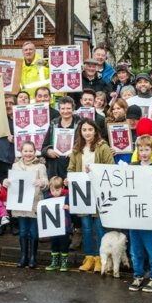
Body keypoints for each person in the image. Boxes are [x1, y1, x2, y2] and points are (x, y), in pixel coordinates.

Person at [69, 120, 113, 272]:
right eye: (84, 130)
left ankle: (101, 258)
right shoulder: (76, 149)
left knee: (99, 228)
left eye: (90, 129)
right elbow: (71, 168)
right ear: (80, 132)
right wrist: (69, 177)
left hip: (98, 192)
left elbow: (110, 169)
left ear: (95, 131)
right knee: (86, 228)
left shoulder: (103, 147)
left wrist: (94, 170)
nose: (87, 132)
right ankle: (89, 257)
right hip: (82, 193)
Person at [127, 131, 152, 293]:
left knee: (151, 248)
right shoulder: (131, 167)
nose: (143, 153)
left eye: (146, 150)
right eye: (140, 150)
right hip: (134, 215)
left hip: (150, 216)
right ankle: (138, 275)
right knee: (135, 250)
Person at [8, 139, 48, 268]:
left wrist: (41, 183)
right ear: (21, 152)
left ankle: (33, 257)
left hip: (35, 203)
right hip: (20, 204)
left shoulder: (40, 166)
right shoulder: (15, 166)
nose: (28, 153)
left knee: (34, 232)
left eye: (31, 151)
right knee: (23, 232)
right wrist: (6, 182)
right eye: (25, 151)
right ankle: (23, 256)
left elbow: (46, 182)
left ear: (35, 152)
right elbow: (12, 182)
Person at [41, 96, 79, 181]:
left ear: (73, 109)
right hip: (55, 170)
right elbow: (43, 147)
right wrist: (48, 151)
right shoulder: (53, 124)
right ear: (59, 110)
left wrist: (75, 151)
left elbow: (86, 145)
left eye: (68, 108)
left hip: (73, 167)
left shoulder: (80, 124)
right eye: (63, 108)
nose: (65, 111)